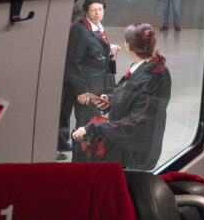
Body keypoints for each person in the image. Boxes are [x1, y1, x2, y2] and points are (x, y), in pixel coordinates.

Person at [72, 23, 170, 170]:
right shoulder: (153, 68)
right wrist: (111, 101)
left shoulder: (146, 77)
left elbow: (133, 123)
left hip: (133, 153)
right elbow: (135, 100)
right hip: (140, 145)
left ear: (128, 46)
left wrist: (93, 128)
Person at [58, 0, 120, 157]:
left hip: (98, 86)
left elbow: (91, 52)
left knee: (91, 123)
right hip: (87, 90)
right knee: (85, 126)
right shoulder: (80, 30)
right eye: (93, 10)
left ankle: (86, 157)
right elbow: (73, 62)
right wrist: (82, 90)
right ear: (86, 12)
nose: (97, 13)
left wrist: (108, 51)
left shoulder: (97, 27)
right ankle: (80, 160)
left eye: (100, 9)